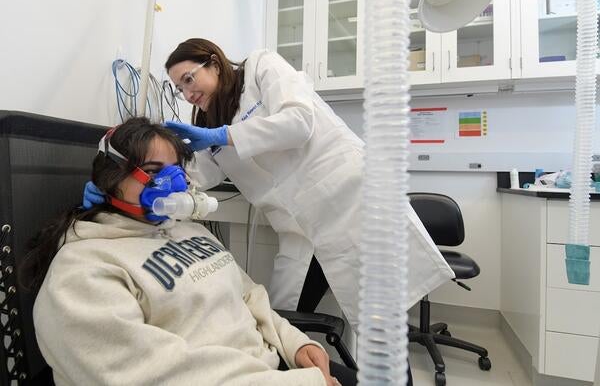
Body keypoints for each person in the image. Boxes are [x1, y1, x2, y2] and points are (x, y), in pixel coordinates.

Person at [21, 117, 359, 386]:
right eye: (153, 171)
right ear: (112, 175)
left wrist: (296, 344)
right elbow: (155, 375)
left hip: (275, 367)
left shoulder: (190, 230)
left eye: (177, 170)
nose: (174, 182)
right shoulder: (82, 271)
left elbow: (249, 297)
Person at [161, 38, 453, 331]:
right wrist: (165, 170)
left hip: (345, 202)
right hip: (295, 226)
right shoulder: (207, 119)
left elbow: (298, 123)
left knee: (381, 323)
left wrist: (222, 135)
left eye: (189, 79)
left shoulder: (260, 67)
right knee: (283, 318)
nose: (187, 94)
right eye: (180, 89)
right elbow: (207, 173)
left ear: (213, 63)